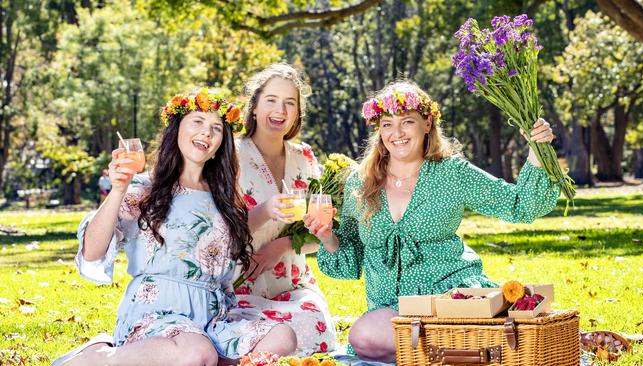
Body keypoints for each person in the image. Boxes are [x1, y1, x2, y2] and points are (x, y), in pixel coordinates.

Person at [304, 81, 560, 363]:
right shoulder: (360, 183)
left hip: (450, 300)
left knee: (385, 337)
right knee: (365, 336)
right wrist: (328, 237)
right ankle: (459, 353)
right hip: (391, 314)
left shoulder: (452, 173)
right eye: (387, 124)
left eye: (407, 122)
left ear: (427, 124)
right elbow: (350, 261)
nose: (396, 133)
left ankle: (458, 347)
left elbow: (520, 205)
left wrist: (538, 151)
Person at [52, 89, 295, 366]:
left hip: (214, 318)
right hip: (156, 312)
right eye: (198, 122)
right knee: (196, 353)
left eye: (216, 128)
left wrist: (267, 209)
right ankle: (101, 357)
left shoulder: (223, 198)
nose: (207, 132)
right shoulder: (145, 189)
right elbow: (93, 252)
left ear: (221, 144)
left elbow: (226, 239)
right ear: (177, 128)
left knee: (283, 336)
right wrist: (118, 189)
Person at [231, 63, 336, 356]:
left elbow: (320, 231)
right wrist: (265, 210)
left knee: (314, 325)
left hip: (293, 282)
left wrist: (284, 244)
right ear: (253, 107)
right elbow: (220, 230)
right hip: (240, 283)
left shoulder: (304, 157)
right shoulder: (230, 155)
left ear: (297, 113)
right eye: (271, 100)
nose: (280, 110)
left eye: (290, 103)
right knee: (257, 335)